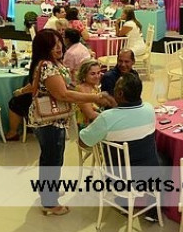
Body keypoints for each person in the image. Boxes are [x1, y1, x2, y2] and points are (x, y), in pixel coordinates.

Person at [10, 29, 115, 215]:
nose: (59, 47)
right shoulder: (48, 67)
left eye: (59, 42)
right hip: (50, 121)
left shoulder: (50, 63)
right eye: (53, 44)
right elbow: (63, 94)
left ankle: (47, 191)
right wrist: (95, 97)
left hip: (51, 119)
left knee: (49, 157)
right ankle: (50, 203)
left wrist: (22, 91)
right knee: (53, 159)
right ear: (44, 47)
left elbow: (45, 86)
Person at [80, 72, 160, 170]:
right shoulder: (149, 109)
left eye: (115, 87)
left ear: (120, 93)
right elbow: (126, 116)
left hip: (120, 175)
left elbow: (84, 142)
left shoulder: (107, 118)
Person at [75, 60, 102, 130]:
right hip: (85, 128)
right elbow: (90, 114)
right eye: (93, 74)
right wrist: (109, 118)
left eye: (98, 73)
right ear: (84, 75)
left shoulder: (95, 88)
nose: (97, 76)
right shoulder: (80, 89)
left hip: (97, 124)